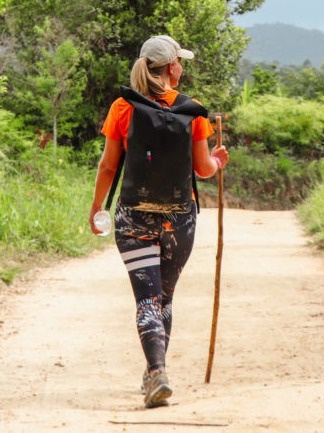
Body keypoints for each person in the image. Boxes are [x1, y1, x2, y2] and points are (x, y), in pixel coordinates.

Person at [88, 34, 229, 409]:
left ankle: (157, 371)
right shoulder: (192, 110)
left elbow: (108, 165)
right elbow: (202, 169)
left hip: (133, 216)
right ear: (171, 68)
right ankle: (156, 371)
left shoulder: (122, 107)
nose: (182, 67)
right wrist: (218, 161)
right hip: (180, 219)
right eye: (180, 61)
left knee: (146, 298)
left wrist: (97, 206)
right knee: (164, 297)